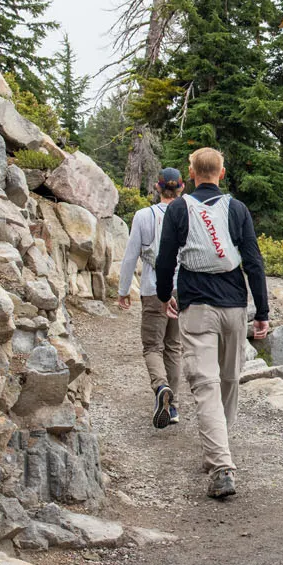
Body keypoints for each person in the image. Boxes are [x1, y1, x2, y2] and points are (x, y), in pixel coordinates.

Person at [154, 147, 271, 499]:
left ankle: (219, 460)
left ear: (192, 174)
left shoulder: (177, 209)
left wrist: (164, 296)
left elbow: (165, 259)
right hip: (235, 307)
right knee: (229, 381)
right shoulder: (237, 209)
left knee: (206, 384)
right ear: (221, 173)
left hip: (196, 307)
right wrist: (262, 312)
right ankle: (221, 457)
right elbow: (253, 261)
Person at [117, 168, 187, 429]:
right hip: (182, 289)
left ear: (157, 188)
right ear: (181, 188)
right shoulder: (187, 214)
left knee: (152, 347)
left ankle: (161, 386)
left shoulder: (143, 216)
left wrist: (124, 290)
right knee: (174, 346)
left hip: (152, 289)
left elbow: (130, 255)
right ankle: (174, 406)